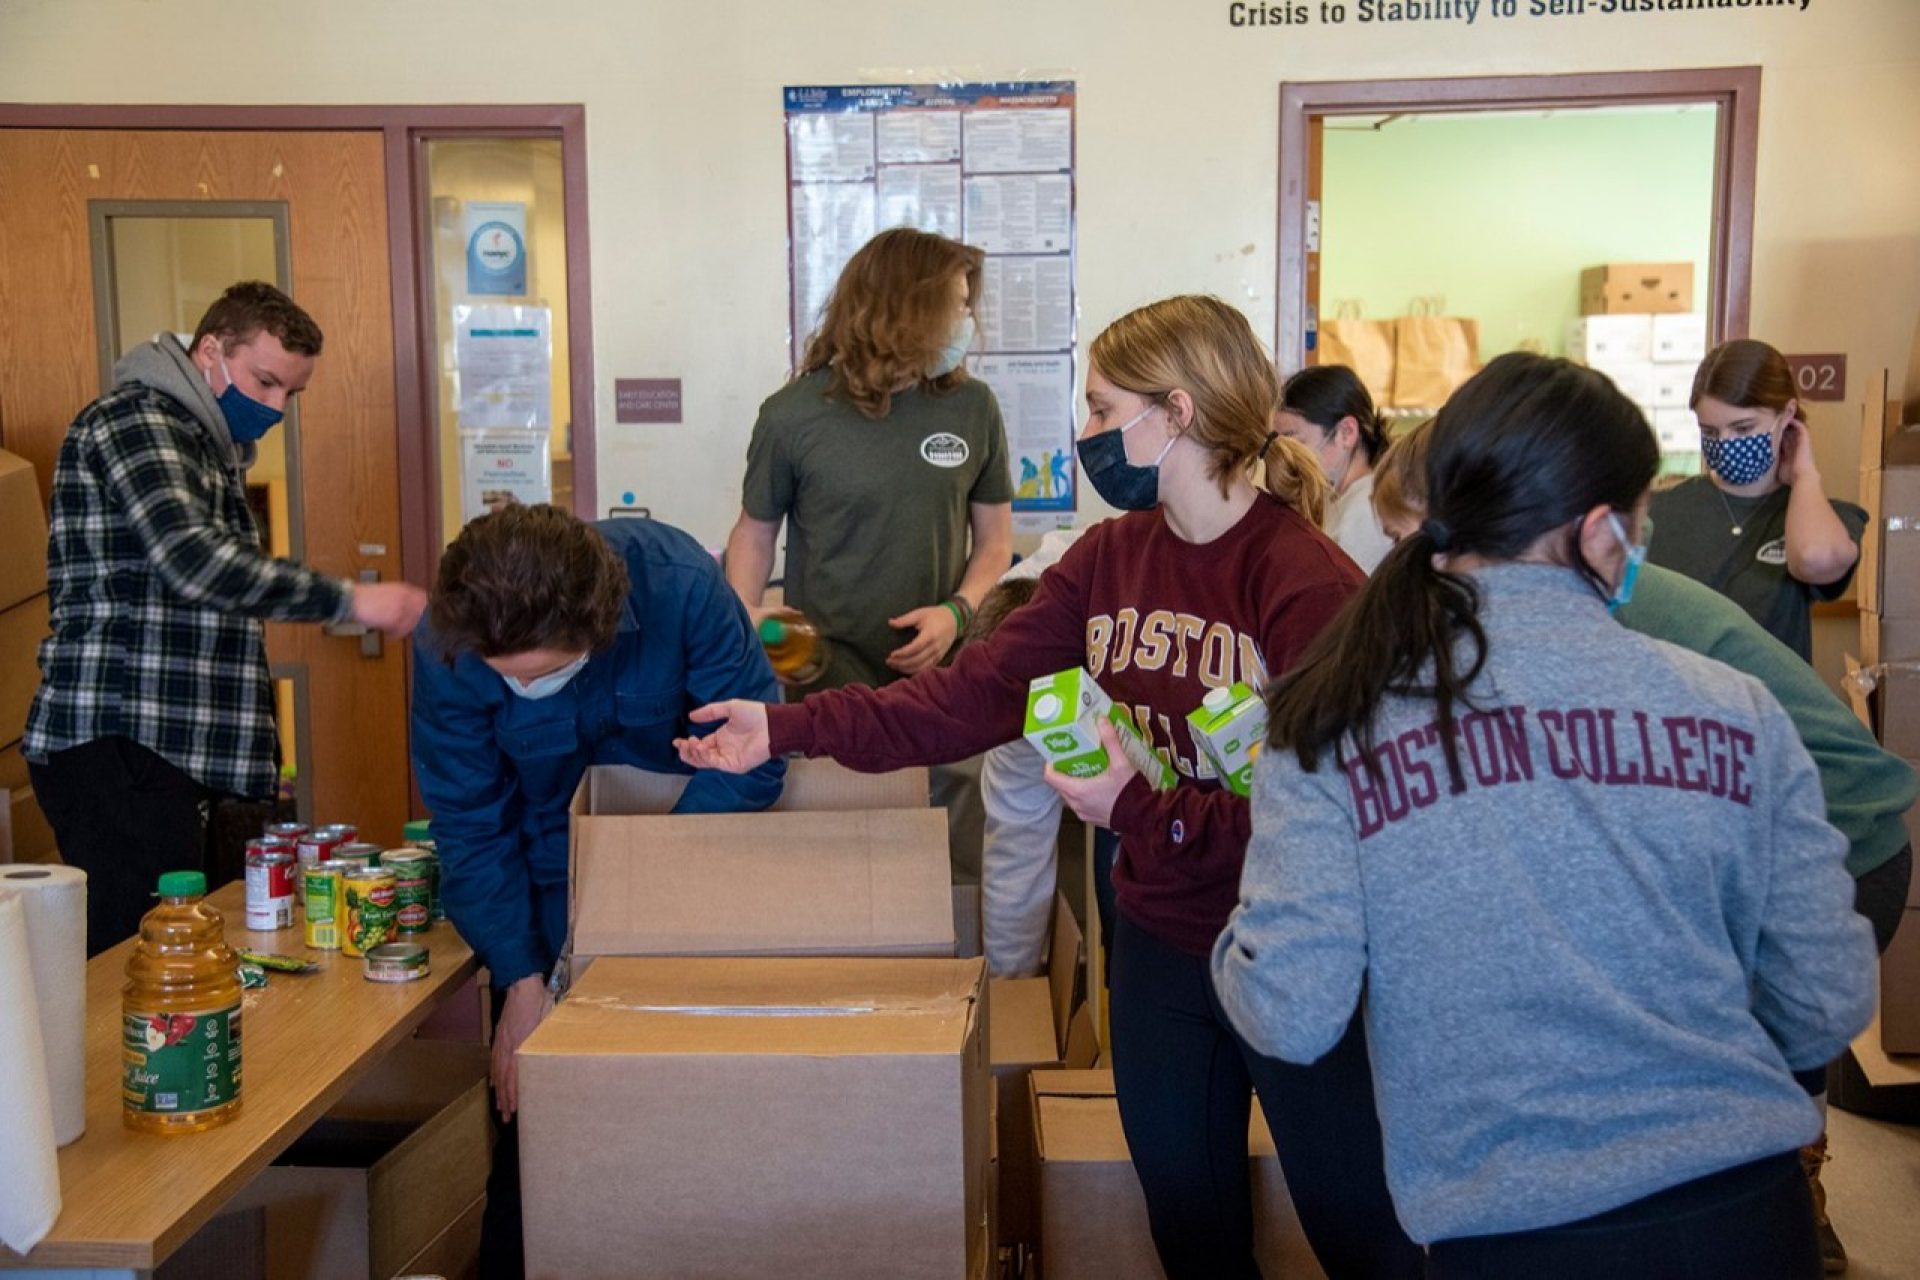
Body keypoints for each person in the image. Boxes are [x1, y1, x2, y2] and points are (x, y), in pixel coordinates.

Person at [679, 295, 1425, 1280]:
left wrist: (1133, 810)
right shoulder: (1108, 560)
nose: (1086, 436)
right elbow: (967, 699)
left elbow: (1328, 818)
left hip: (1294, 941)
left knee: (1356, 1226)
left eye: (1103, 409)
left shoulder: (1306, 582)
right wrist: (782, 724)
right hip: (1159, 944)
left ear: (1178, 411)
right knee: (1190, 1224)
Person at [1217, 352, 1877, 1279]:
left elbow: (1290, 1012)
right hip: (1746, 1219)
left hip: (1505, 1230)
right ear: (1607, 529)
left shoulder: (1331, 723)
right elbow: (1826, 1004)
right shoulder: (1736, 711)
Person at [1372, 415, 1915, 1275]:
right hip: (1791, 821)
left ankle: (1795, 1203)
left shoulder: (1612, 616)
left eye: (1415, 541)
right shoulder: (1530, 613)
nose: (1406, 569)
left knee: (1729, 1077)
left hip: (1853, 835)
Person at [411, 503, 785, 1280]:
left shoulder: (681, 586)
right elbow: (469, 823)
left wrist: (637, 902)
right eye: (505, 676)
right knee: (534, 1115)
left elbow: (757, 757)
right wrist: (519, 979)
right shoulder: (451, 639)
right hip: (542, 891)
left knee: (692, 1112)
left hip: (690, 868)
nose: (524, 689)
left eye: (542, 674)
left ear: (601, 630)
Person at [24, 281, 427, 955]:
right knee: (145, 964)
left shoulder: (200, 443)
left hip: (161, 749)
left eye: (290, 394)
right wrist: (351, 601)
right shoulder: (138, 421)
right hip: (121, 740)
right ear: (210, 350)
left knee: (182, 956)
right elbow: (194, 561)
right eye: (265, 382)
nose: (275, 407)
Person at [723, 226, 1013, 880]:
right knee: (841, 864)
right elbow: (754, 531)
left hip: (941, 675)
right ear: (905, 308)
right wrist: (746, 620)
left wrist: (957, 614)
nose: (968, 320)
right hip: (826, 675)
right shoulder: (793, 414)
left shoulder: (973, 406)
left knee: (945, 867)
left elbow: (996, 544)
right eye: (956, 304)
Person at [1647, 339, 1866, 662]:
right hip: (1682, 706)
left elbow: (1816, 559)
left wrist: (1805, 474)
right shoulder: (1660, 511)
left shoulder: (1818, 517)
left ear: (1787, 415)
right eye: (1710, 431)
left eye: (1743, 427)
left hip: (1772, 707)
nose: (1725, 443)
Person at [1274, 363, 1394, 572]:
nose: (1287, 457)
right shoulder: (1338, 498)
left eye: (1294, 443)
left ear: (1346, 432)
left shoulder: (1365, 513)